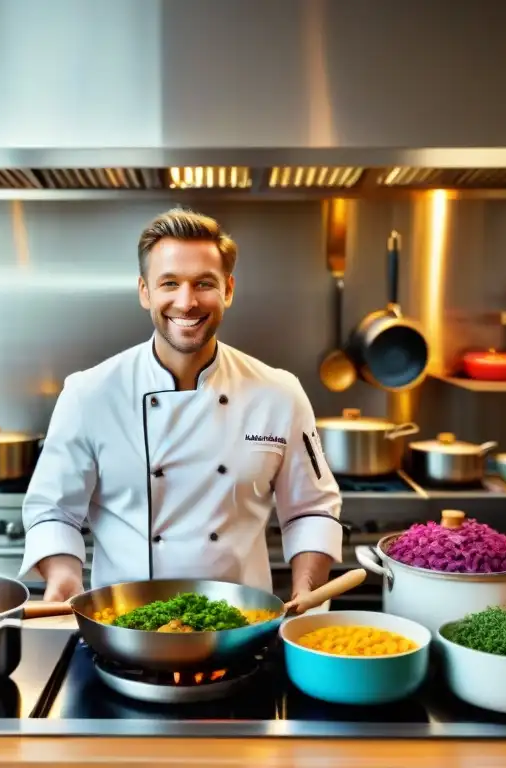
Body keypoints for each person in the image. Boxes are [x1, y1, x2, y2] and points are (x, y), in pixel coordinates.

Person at [18, 207, 343, 608]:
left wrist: (307, 587)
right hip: (124, 624)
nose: (186, 302)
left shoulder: (279, 393)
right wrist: (64, 577)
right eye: (169, 283)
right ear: (144, 291)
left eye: (204, 283)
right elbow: (53, 510)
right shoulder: (89, 394)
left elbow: (310, 511)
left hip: (242, 628)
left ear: (228, 289)